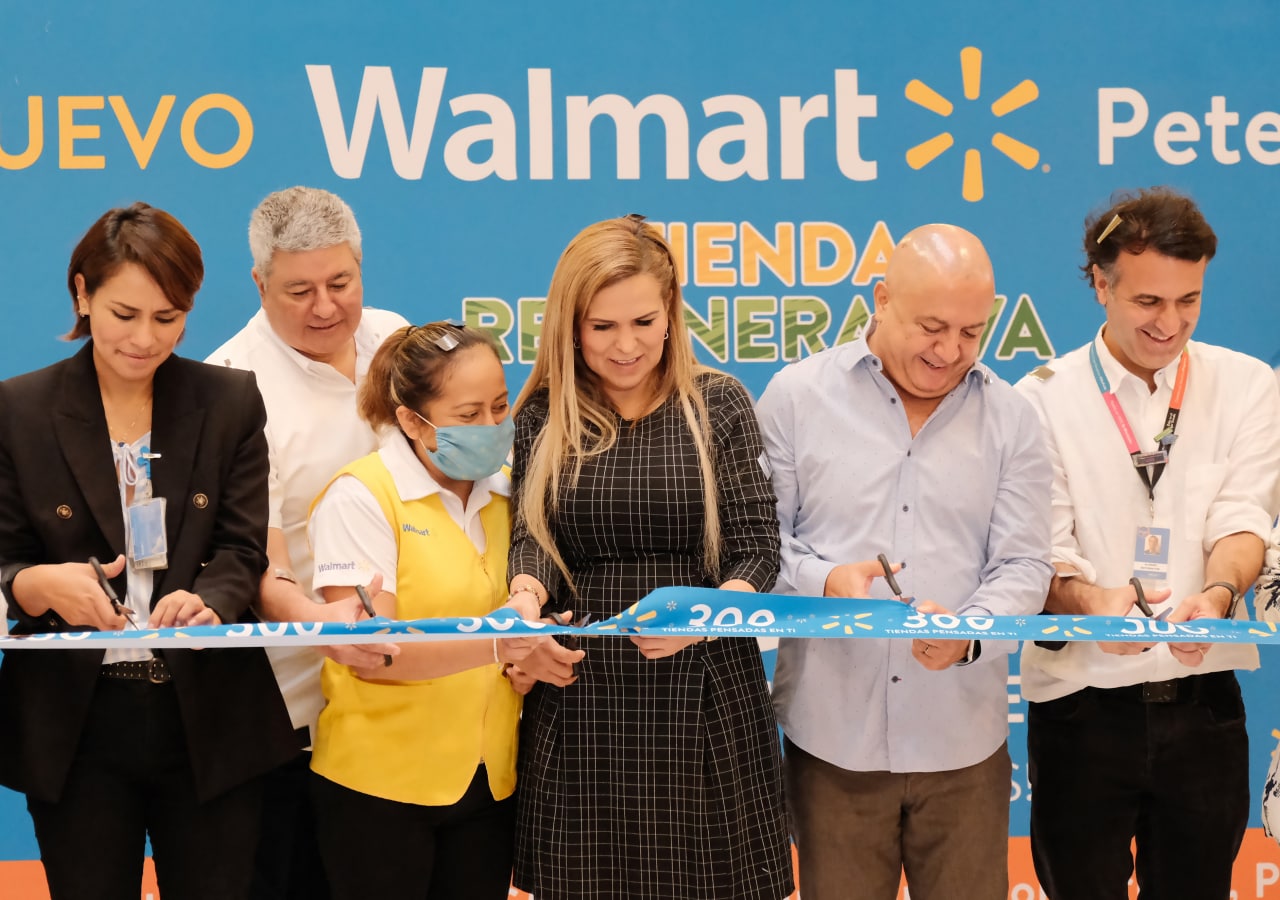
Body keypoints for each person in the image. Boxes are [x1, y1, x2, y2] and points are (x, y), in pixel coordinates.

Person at [0, 202, 298, 898]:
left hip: (210, 716)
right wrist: (39, 585)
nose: (145, 338)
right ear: (83, 294)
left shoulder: (229, 400)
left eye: (168, 318)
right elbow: (7, 557)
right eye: (124, 314)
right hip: (76, 725)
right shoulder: (20, 410)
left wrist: (211, 600)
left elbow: (242, 544)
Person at [756, 224, 1053, 900]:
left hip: (964, 745)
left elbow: (1024, 563)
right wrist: (825, 581)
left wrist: (970, 634)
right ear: (882, 299)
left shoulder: (1012, 419)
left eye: (971, 332)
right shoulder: (797, 398)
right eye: (932, 327)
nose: (949, 351)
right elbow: (760, 546)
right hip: (832, 742)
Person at [506, 214, 793, 900]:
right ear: (571, 327)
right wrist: (524, 603)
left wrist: (708, 617)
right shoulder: (542, 414)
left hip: (707, 686)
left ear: (671, 314)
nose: (626, 345)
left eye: (643, 321)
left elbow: (758, 548)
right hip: (581, 692)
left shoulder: (719, 403)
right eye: (602, 326)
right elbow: (532, 539)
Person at [1014, 187, 1280, 900]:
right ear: (1101, 286)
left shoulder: (1248, 386)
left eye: (1189, 300)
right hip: (1080, 705)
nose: (1170, 323)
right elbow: (1041, 550)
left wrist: (1218, 595)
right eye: (1148, 302)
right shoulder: (1040, 398)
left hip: (1205, 704)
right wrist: (1092, 604)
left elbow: (1244, 518)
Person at [207, 186, 407, 899]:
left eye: (340, 282)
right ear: (259, 283)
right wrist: (327, 626)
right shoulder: (230, 387)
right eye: (299, 291)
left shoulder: (397, 342)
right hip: (293, 715)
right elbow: (257, 559)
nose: (325, 307)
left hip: (412, 703)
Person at [306, 322, 534, 900]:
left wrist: (531, 658)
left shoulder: (510, 491)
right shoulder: (361, 496)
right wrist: (499, 643)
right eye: (469, 414)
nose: (491, 427)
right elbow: (377, 652)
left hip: (488, 782)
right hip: (379, 788)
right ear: (412, 421)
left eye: (500, 406)